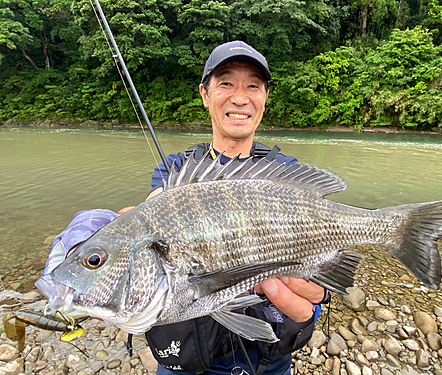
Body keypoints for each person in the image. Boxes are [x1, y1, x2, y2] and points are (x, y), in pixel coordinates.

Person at [43, 41, 327, 375]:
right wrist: (88, 249)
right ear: (205, 94)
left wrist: (321, 290)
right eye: (225, 83)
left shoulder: (285, 173)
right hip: (187, 362)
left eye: (253, 85)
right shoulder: (174, 171)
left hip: (270, 360)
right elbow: (149, 215)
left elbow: (320, 262)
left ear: (265, 97)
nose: (240, 97)